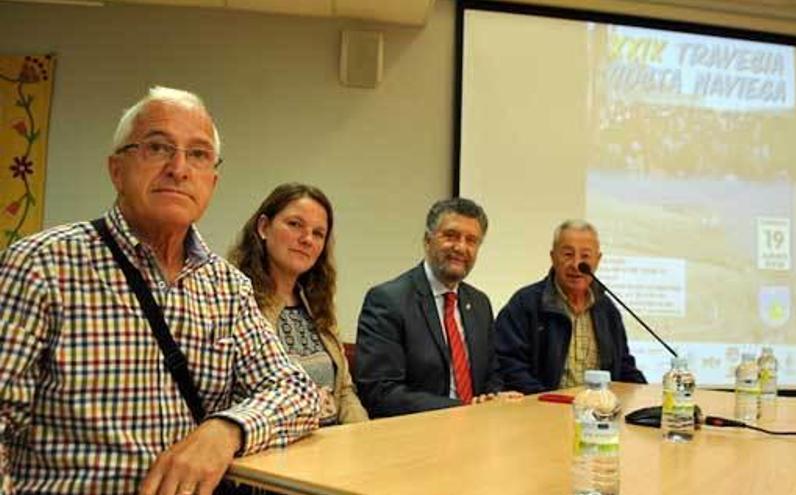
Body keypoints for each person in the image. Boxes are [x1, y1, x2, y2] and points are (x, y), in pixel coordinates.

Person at [0, 86, 320, 494]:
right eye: (157, 147)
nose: (179, 168)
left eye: (199, 154)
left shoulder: (225, 287)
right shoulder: (41, 265)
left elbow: (297, 391)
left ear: (212, 181)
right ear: (117, 169)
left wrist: (226, 429)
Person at [355, 198, 521, 418]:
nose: (461, 247)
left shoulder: (480, 303)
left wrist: (492, 398)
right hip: (417, 434)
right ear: (427, 240)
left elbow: (492, 374)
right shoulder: (387, 301)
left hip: (479, 429)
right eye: (451, 236)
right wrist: (461, 409)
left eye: (471, 240)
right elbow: (381, 392)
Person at [229, 183, 368, 425]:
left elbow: (345, 392)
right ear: (263, 227)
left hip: (333, 449)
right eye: (295, 225)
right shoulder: (235, 302)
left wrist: (364, 440)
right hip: (270, 451)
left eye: (318, 233)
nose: (306, 239)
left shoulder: (319, 304)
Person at [495, 220, 646, 394]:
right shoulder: (525, 303)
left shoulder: (607, 309)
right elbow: (509, 364)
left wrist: (646, 395)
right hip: (542, 411)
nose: (576, 264)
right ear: (553, 257)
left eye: (585, 256)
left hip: (598, 413)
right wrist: (545, 403)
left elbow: (623, 366)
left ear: (598, 260)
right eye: (567, 254)